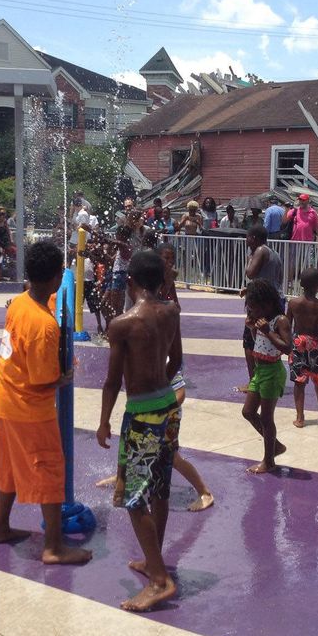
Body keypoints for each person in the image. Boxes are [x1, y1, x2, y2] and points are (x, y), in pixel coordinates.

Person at [0, 240, 91, 567]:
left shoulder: (19, 303)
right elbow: (43, 378)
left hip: (3, 398)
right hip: (29, 408)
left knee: (8, 467)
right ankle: (54, 547)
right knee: (49, 469)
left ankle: (0, 527)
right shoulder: (44, 326)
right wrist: (65, 376)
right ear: (57, 278)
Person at [97, 249, 182, 611]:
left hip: (143, 414)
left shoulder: (123, 324)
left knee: (133, 497)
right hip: (169, 407)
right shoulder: (172, 311)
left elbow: (113, 381)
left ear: (129, 280)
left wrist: (103, 421)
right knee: (160, 489)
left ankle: (160, 581)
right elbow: (176, 359)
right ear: (161, 281)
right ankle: (153, 561)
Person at [156, 242, 214, 512]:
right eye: (164, 259)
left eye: (171, 258)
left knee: (170, 454)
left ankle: (204, 491)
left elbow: (179, 390)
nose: (169, 263)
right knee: (132, 444)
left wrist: (166, 407)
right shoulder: (155, 291)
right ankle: (122, 479)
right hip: (152, 403)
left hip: (164, 405)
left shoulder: (163, 357)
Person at [241, 279, 291, 473]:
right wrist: (254, 330)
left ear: (268, 304)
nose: (252, 313)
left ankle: (269, 461)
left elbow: (287, 348)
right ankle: (275, 446)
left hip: (273, 371)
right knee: (248, 412)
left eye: (254, 309)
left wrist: (268, 331)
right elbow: (258, 342)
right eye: (250, 310)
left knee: (267, 418)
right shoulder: (260, 321)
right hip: (260, 371)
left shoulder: (280, 321)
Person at [286, 268, 318, 428]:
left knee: (299, 382)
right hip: (314, 344)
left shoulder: (293, 303)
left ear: (301, 284)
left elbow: (287, 326)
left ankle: (300, 417)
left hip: (298, 343)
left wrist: (286, 347)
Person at [241, 225, 283, 382]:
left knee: (249, 342)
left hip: (260, 304)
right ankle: (267, 376)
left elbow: (251, 273)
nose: (246, 240)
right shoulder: (275, 253)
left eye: (247, 237)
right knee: (267, 339)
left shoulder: (259, 251)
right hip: (274, 299)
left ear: (253, 238)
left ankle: (254, 380)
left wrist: (249, 259)